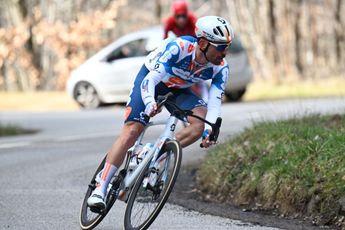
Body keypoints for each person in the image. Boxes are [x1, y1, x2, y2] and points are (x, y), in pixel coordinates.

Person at [87, 16, 235, 210]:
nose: (225, 53)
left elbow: (214, 104)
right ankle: (101, 187)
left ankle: (154, 154)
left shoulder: (220, 68)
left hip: (179, 89)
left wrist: (209, 130)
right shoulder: (178, 48)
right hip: (152, 82)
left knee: (199, 124)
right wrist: (149, 104)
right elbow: (150, 81)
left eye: (227, 47)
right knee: (131, 132)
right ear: (203, 43)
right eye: (221, 47)